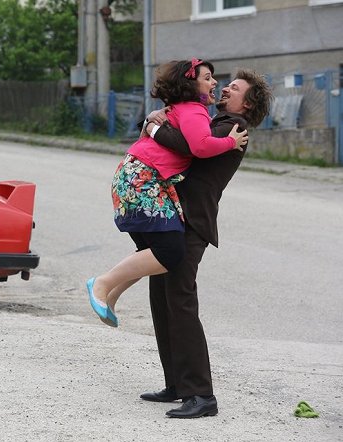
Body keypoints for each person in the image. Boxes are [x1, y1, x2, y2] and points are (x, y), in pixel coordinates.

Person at [139, 69, 273, 418]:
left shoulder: (233, 127)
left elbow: (188, 147)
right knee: (162, 299)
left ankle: (201, 395)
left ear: (249, 102)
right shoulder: (214, 121)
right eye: (227, 84)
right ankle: (177, 384)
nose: (226, 87)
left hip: (191, 222)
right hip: (172, 218)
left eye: (235, 87)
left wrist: (154, 126)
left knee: (180, 302)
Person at [86, 58, 247, 328]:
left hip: (134, 175)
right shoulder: (194, 110)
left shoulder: (182, 109)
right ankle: (102, 283)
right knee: (171, 252)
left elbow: (176, 136)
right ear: (190, 84)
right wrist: (230, 141)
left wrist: (150, 122)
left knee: (151, 251)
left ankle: (111, 296)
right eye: (208, 78)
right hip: (145, 178)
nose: (215, 83)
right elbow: (199, 147)